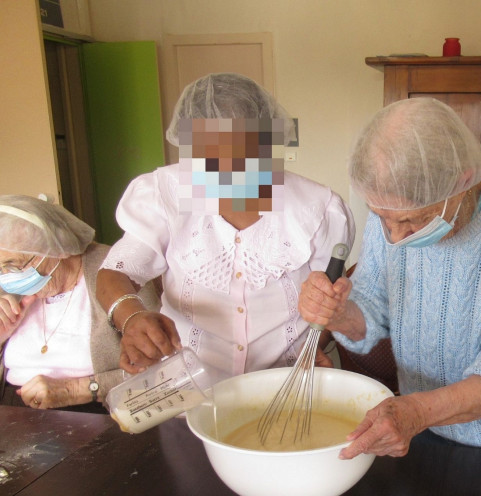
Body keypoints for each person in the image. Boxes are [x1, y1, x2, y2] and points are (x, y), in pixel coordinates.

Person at [299, 97, 481, 468]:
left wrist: (416, 411)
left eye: (413, 220)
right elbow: (373, 305)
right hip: (423, 421)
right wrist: (339, 312)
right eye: (381, 218)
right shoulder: (393, 205)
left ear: (461, 183)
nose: (394, 237)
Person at [97, 73, 354, 377]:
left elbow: (326, 303)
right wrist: (132, 318)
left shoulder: (316, 208)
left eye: (246, 155)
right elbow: (116, 273)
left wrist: (312, 346)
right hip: (190, 386)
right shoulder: (165, 194)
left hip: (281, 383)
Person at [0, 195, 159, 411]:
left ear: (56, 249)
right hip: (13, 410)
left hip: (97, 414)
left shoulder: (118, 273)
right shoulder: (10, 287)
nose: (7, 276)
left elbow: (161, 368)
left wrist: (77, 389)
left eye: (15, 266)